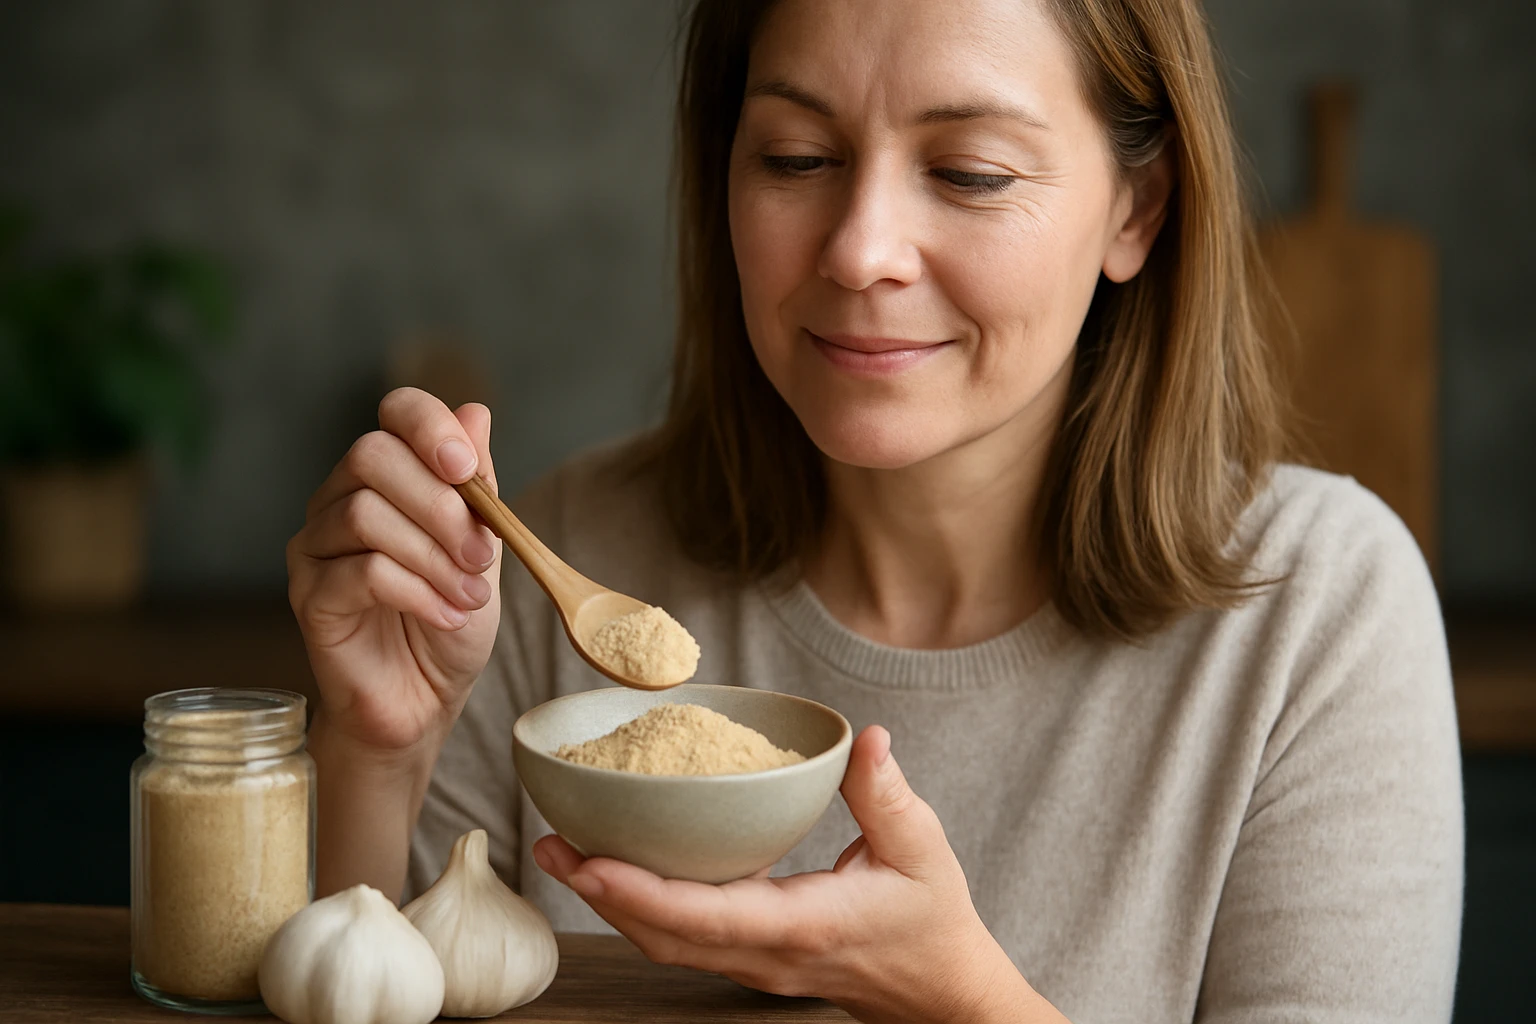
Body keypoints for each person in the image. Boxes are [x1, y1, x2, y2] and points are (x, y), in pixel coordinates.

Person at [285, 0, 1463, 1020]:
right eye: (796, 158)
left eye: (969, 174)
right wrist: (376, 755)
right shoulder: (549, 569)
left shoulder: (1319, 612)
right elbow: (374, 974)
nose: (859, 251)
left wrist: (955, 1001)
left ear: (1135, 212)